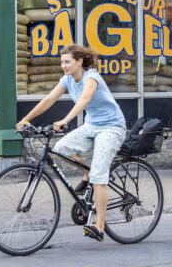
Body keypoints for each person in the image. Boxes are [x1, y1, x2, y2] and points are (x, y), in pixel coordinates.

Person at [16, 44, 127, 242]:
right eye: (61, 62)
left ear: (79, 62)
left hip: (112, 127)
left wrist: (65, 121)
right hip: (92, 125)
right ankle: (87, 172)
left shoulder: (91, 76)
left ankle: (99, 226)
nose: (64, 66)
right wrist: (26, 119)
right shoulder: (67, 79)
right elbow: (49, 99)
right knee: (61, 149)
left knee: (99, 176)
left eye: (67, 62)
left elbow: (84, 100)